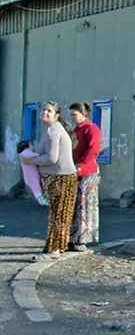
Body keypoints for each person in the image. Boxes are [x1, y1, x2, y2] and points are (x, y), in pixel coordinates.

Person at [19, 102, 77, 261]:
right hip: (58, 177)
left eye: (49, 111)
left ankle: (54, 250)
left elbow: (52, 158)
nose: (45, 112)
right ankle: (54, 247)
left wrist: (31, 161)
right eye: (44, 109)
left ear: (56, 116)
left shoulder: (54, 132)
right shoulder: (51, 131)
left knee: (58, 215)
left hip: (61, 178)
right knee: (57, 214)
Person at [69, 101, 102, 252]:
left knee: (85, 206)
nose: (72, 118)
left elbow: (93, 149)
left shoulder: (91, 129)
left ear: (83, 114)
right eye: (71, 115)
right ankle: (73, 237)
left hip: (87, 172)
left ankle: (82, 239)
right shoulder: (76, 130)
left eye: (74, 115)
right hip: (75, 171)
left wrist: (81, 164)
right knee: (75, 206)